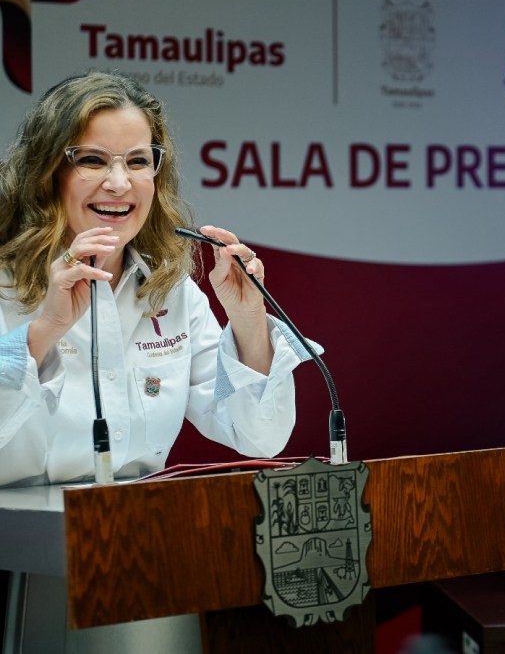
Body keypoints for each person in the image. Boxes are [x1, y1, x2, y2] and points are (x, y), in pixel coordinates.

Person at [0, 71, 316, 487]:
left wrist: (247, 318)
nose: (119, 184)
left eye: (137, 162)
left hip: (141, 523)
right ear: (46, 174)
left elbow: (260, 435)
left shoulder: (171, 290)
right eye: (92, 160)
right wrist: (45, 331)